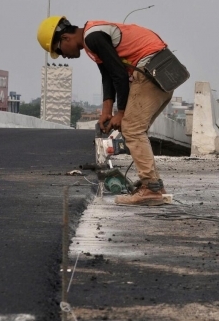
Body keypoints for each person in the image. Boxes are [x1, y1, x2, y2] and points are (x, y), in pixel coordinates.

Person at [37, 16, 177, 206]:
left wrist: (120, 112)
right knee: (135, 130)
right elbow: (108, 76)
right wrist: (106, 111)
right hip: (163, 70)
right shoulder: (92, 38)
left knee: (132, 129)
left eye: (59, 51)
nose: (64, 56)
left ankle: (151, 189)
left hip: (151, 70)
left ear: (66, 38)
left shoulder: (92, 38)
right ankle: (155, 187)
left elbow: (119, 73)